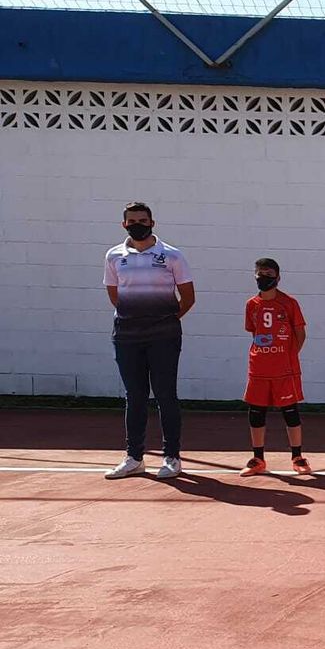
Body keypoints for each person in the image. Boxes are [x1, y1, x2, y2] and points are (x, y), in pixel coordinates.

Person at [103, 201, 195, 480]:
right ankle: (134, 458)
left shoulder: (172, 256)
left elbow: (188, 297)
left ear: (152, 223)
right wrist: (136, 318)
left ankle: (172, 457)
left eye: (142, 221)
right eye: (132, 221)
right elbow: (115, 295)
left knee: (165, 395)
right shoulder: (113, 256)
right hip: (127, 336)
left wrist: (163, 320)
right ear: (124, 225)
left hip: (164, 336)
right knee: (135, 396)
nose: (137, 225)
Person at [240, 258, 311, 477]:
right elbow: (255, 333)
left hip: (284, 369)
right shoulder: (251, 304)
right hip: (259, 368)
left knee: (290, 411)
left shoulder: (289, 303)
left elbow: (300, 334)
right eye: (260, 274)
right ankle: (258, 458)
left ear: (278, 278)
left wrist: (287, 356)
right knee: (256, 412)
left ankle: (297, 457)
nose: (264, 278)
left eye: (269, 274)